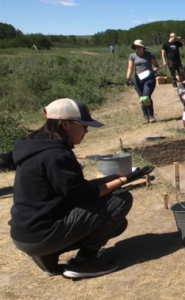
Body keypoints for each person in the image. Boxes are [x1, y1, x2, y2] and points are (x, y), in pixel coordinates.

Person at [9, 98, 153, 279]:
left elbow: (71, 190)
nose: (86, 131)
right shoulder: (55, 155)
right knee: (120, 201)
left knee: (118, 224)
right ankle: (83, 263)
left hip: (26, 233)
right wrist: (123, 181)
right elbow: (84, 196)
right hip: (42, 234)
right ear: (65, 124)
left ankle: (47, 255)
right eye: (84, 125)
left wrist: (110, 179)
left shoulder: (38, 147)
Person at [126, 40, 159, 124]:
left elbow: (156, 66)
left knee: (146, 97)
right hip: (138, 79)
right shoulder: (132, 56)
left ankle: (151, 115)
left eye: (139, 46)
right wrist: (128, 78)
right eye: (136, 47)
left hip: (149, 78)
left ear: (143, 47)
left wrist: (153, 71)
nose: (137, 48)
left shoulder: (149, 55)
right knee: (141, 99)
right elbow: (130, 67)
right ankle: (145, 116)